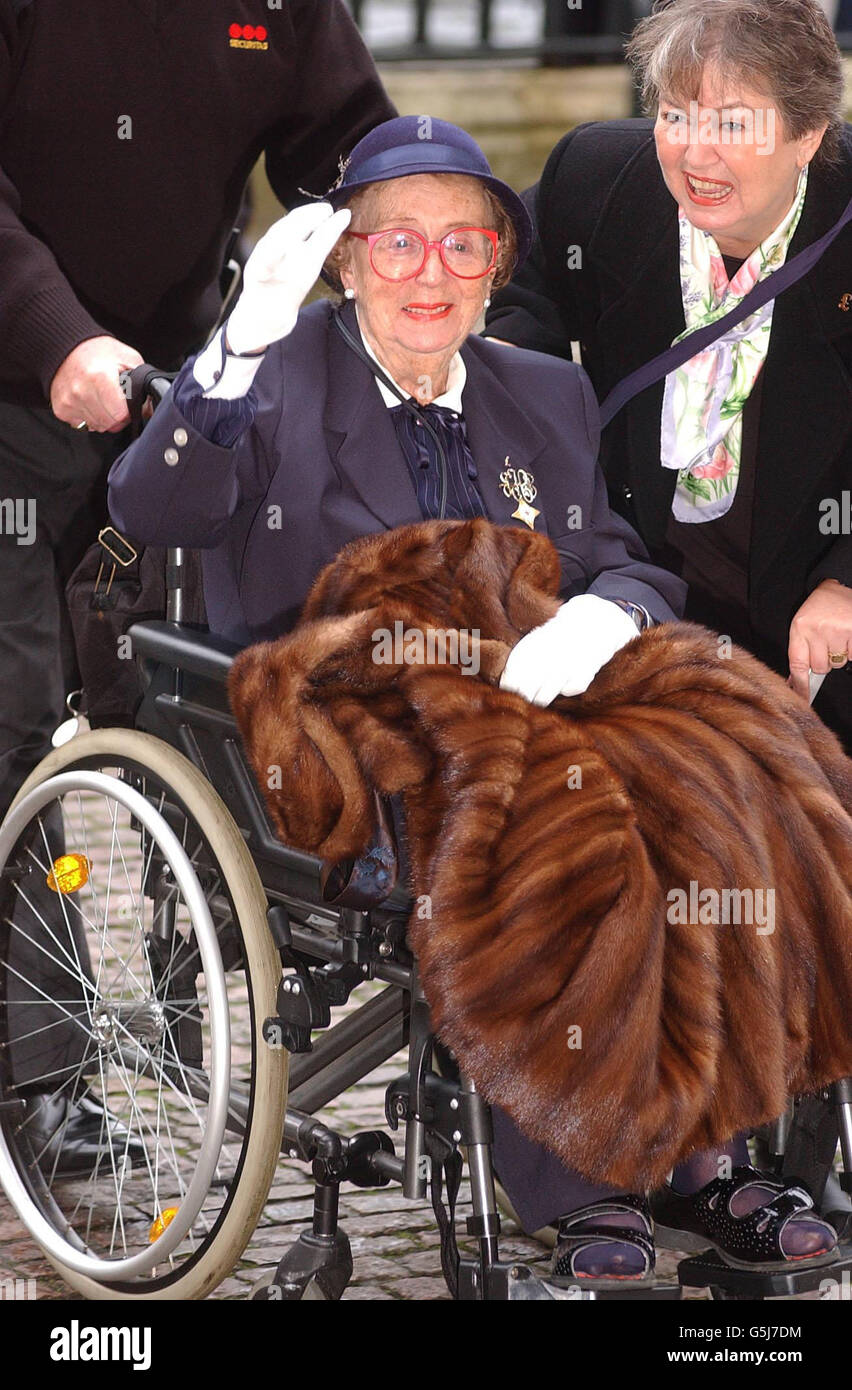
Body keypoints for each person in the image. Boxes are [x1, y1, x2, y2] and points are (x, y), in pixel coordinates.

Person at [107, 115, 838, 1287]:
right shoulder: (271, 376)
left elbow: (622, 556)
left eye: (464, 246)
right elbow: (148, 509)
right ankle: (590, 1177)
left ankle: (708, 1159)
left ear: (500, 262)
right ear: (346, 259)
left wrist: (612, 615)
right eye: (398, 246)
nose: (431, 274)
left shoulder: (540, 392)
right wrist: (233, 349)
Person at [0, 0, 395, 1172]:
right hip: (16, 385)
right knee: (15, 734)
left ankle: (198, 985)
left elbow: (345, 147)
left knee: (174, 701)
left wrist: (408, 244)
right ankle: (43, 1073)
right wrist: (54, 333)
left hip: (174, 394)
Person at [486, 0, 852, 759]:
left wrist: (848, 579)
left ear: (809, 134)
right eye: (676, 115)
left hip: (815, 616)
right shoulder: (595, 184)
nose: (695, 155)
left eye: (733, 124)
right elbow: (513, 311)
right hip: (651, 594)